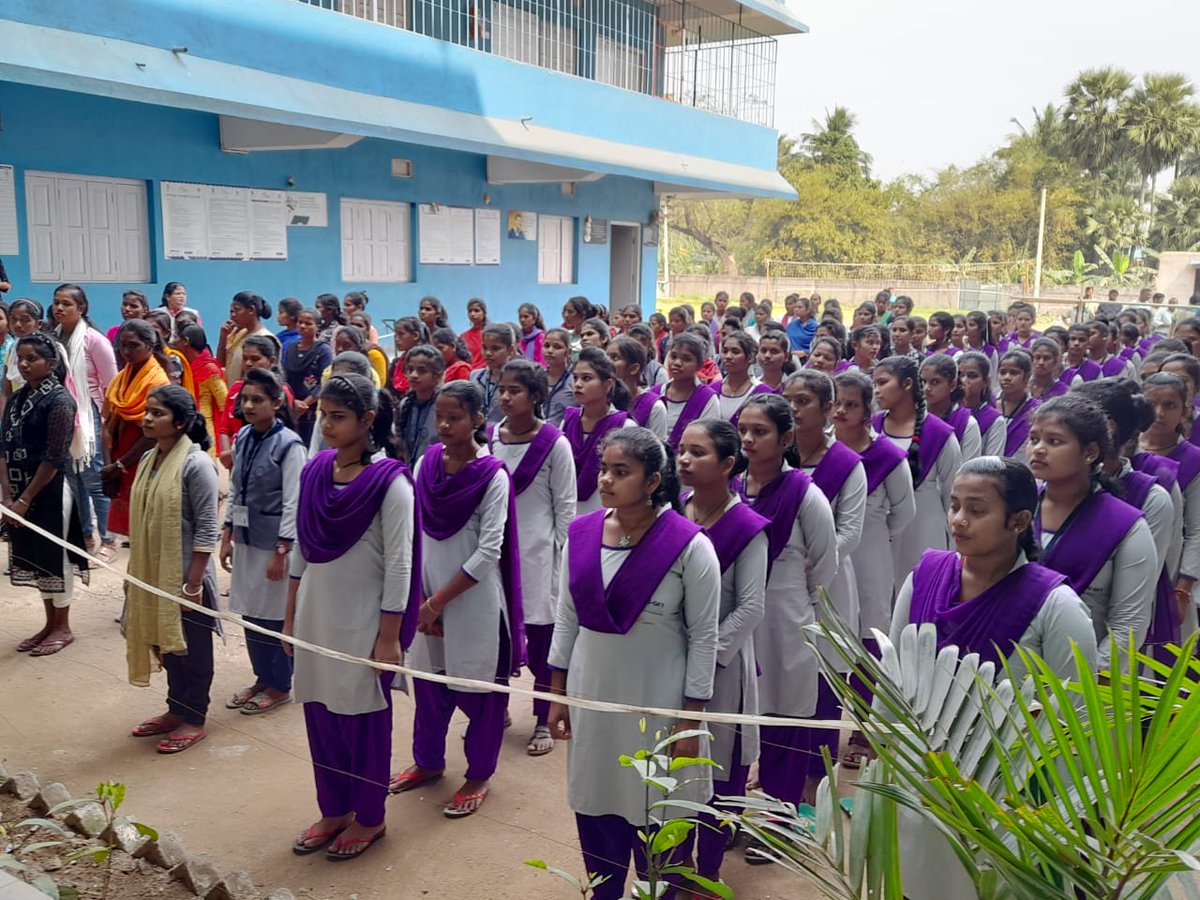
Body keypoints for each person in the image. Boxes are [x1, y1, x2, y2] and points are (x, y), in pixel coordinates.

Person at [890, 456, 1097, 900]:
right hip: (921, 778)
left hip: (1006, 798)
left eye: (977, 510)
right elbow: (892, 679)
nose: (959, 520)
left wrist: (1060, 820)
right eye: (954, 505)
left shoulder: (1056, 606)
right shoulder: (922, 578)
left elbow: (1075, 726)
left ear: (1019, 521)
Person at [547, 427, 720, 899]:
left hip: (659, 701)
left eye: (621, 472)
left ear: (652, 482)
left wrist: (690, 715)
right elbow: (567, 616)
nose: (606, 480)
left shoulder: (689, 546)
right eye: (604, 469)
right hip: (593, 693)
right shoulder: (581, 536)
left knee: (656, 805)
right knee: (597, 794)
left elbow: (706, 634)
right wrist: (556, 693)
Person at [285, 372, 417, 860]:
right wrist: (290, 617)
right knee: (320, 712)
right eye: (323, 415)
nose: (327, 425)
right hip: (317, 617)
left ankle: (370, 816)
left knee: (362, 720)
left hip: (363, 622)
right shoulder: (315, 471)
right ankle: (334, 808)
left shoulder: (391, 484)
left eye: (338, 417)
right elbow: (302, 546)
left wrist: (388, 638)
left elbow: (400, 565)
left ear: (368, 420)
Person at [393, 381, 523, 819]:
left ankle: (478, 774)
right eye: (441, 417)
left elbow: (489, 551)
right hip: (429, 592)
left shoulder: (493, 477)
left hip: (473, 602)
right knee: (430, 685)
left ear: (478, 420)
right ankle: (428, 762)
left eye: (456, 418)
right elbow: (414, 529)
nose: (445, 425)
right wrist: (423, 598)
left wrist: (436, 603)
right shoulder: (426, 463)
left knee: (480, 691)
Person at [734, 394, 837, 815]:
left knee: (785, 716)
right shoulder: (732, 485)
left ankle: (779, 817)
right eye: (743, 430)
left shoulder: (805, 495)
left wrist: (797, 600)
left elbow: (825, 562)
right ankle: (731, 811)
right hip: (738, 614)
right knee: (737, 714)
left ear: (786, 437)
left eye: (760, 432)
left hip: (787, 614)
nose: (748, 440)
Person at [676, 418, 768, 888]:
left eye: (699, 453)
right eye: (682, 451)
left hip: (722, 667)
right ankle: (670, 865)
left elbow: (752, 605)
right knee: (670, 759)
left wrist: (705, 654)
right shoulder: (676, 511)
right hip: (671, 662)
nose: (685, 460)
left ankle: (707, 869)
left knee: (719, 764)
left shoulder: (748, 529)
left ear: (729, 464)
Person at [1029, 395, 1158, 667]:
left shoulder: (1126, 526)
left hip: (1081, 683)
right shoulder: (1018, 507)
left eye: (1054, 441)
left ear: (1090, 453)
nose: (1038, 449)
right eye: (1034, 439)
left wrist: (1086, 688)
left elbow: (1128, 627)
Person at [125, 385, 220, 753]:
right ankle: (175, 709)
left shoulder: (197, 465)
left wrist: (192, 585)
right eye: (148, 412)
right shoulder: (150, 459)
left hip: (185, 577)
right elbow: (143, 518)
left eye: (157, 413)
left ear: (180, 423)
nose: (147, 419)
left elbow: (207, 528)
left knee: (193, 650)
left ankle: (194, 717)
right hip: (153, 572)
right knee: (165, 644)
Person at [784, 370, 866, 795]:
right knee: (782, 671)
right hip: (778, 584)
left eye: (804, 402)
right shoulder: (777, 456)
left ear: (828, 409)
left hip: (827, 581)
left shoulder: (846, 465)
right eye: (790, 401)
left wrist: (805, 569)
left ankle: (814, 775)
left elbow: (849, 532)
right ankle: (780, 765)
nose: (795, 409)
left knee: (822, 675)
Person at [489, 359, 575, 756]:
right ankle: (495, 709)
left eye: (515, 391)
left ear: (536, 396)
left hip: (541, 559)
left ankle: (542, 718)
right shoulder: (492, 439)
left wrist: (562, 566)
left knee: (542, 643)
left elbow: (566, 510)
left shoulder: (555, 444)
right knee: (497, 639)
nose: (505, 397)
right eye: (502, 389)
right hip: (498, 555)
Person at [832, 371, 915, 767]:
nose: (842, 411)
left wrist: (874, 535)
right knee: (832, 638)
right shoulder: (824, 454)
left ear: (869, 409)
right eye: (836, 403)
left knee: (869, 638)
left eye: (851, 404)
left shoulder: (887, 458)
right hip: (830, 556)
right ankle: (824, 729)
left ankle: (865, 730)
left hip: (873, 556)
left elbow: (904, 512)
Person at [219, 368, 306, 715]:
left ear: (277, 402)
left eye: (258, 400)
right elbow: (237, 488)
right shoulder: (243, 438)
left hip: (275, 546)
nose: (250, 405)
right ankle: (262, 676)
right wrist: (227, 536)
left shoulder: (290, 446)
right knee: (251, 611)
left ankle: (281, 683)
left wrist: (282, 551)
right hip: (247, 539)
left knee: (273, 614)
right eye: (245, 399)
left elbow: (293, 501)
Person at [1076, 378, 1183, 659]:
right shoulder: (1046, 491)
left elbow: (1139, 596)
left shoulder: (1151, 496)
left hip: (1104, 646)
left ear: (1109, 431)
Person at [1, 334, 90, 656]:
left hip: (48, 491)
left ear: (50, 364)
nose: (23, 364)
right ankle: (48, 623)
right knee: (36, 558)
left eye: (31, 359)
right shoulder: (16, 398)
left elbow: (54, 456)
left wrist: (25, 499)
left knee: (55, 557)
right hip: (17, 492)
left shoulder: (60, 402)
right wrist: (7, 494)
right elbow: (3, 446)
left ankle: (63, 626)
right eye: (20, 358)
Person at [873, 355, 961, 583]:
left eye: (882, 383)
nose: (876, 390)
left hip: (924, 526)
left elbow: (953, 493)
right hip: (878, 525)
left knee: (919, 587)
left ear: (908, 384)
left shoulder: (940, 434)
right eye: (874, 384)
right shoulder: (871, 427)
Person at [51, 284, 119, 562]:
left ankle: (108, 539)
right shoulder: (51, 340)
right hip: (61, 414)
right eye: (56, 303)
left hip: (90, 416)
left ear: (81, 309)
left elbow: (112, 384)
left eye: (67, 304)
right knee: (72, 477)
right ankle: (85, 535)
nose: (59, 308)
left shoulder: (93, 340)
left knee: (94, 478)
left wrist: (107, 424)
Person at [1141, 373, 1200, 636]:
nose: (1159, 413)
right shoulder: (1128, 452)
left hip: (1171, 571)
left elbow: (1197, 530)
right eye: (1152, 404)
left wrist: (1183, 588)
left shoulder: (1193, 459)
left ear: (1185, 411)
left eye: (1170, 405)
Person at [102, 320, 171, 537]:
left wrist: (120, 465)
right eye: (122, 345)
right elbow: (107, 423)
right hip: (117, 456)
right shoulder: (120, 379)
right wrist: (109, 466)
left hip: (142, 457)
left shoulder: (158, 382)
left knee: (145, 525)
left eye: (133, 346)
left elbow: (152, 434)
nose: (126, 352)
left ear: (150, 347)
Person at [564, 348, 631, 515]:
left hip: (608, 512)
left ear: (607, 385)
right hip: (566, 510)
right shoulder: (567, 421)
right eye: (575, 378)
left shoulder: (625, 428)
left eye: (586, 378)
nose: (578, 384)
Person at [217, 334, 291, 470]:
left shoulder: (281, 391)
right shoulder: (236, 388)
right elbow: (224, 428)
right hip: (235, 459)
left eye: (255, 359)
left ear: (272, 361)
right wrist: (227, 454)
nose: (248, 364)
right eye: (245, 359)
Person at [650, 333, 720, 450]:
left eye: (686, 359)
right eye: (673, 356)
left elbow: (708, 440)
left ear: (699, 365)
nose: (677, 363)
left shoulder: (707, 399)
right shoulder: (655, 393)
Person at [283, 308, 333, 447]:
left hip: (311, 409)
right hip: (291, 407)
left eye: (308, 323)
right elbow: (283, 377)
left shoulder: (323, 350)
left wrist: (304, 404)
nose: (303, 326)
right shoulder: (290, 348)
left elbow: (324, 381)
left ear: (317, 326)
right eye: (300, 322)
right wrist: (292, 402)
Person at [175, 325, 227, 456]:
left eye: (177, 338)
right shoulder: (185, 365)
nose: (174, 341)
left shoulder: (209, 369)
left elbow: (225, 404)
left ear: (185, 341)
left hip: (205, 430)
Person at [922, 354, 982, 462]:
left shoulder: (967, 423)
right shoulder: (914, 417)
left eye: (935, 382)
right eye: (923, 381)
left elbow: (969, 468)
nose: (927, 388)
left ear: (953, 385)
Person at [608, 336, 667, 440]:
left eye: (615, 358)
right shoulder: (600, 399)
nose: (607, 363)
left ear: (634, 368)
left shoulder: (655, 407)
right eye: (606, 357)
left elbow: (657, 451)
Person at [394, 345, 444, 467]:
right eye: (410, 369)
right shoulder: (404, 405)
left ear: (437, 376)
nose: (414, 375)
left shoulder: (444, 406)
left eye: (422, 371)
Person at [218, 291, 278, 387]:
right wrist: (223, 337)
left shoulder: (265, 338)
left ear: (251, 310)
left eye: (237, 310)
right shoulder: (238, 334)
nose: (233, 315)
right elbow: (220, 365)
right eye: (231, 312)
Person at [958, 351, 1005, 458]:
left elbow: (992, 463)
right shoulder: (949, 412)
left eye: (972, 376)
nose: (964, 381)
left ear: (986, 382)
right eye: (960, 375)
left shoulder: (994, 420)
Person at [470, 323, 516, 424]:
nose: (488, 353)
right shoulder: (474, 376)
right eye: (485, 348)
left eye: (495, 348)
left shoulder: (518, 381)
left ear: (510, 350)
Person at [333, 322, 386, 387]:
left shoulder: (369, 373)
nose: (340, 349)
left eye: (347, 345)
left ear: (358, 347)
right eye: (337, 344)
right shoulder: (329, 371)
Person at [1028, 337, 1070, 401]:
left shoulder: (1063, 392)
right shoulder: (1022, 387)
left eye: (1046, 358)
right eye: (1037, 357)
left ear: (1055, 362)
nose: (1041, 362)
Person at [461, 298, 488, 369]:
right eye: (470, 311)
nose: (472, 314)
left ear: (484, 313)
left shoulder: (490, 334)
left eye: (476, 311)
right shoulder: (463, 336)